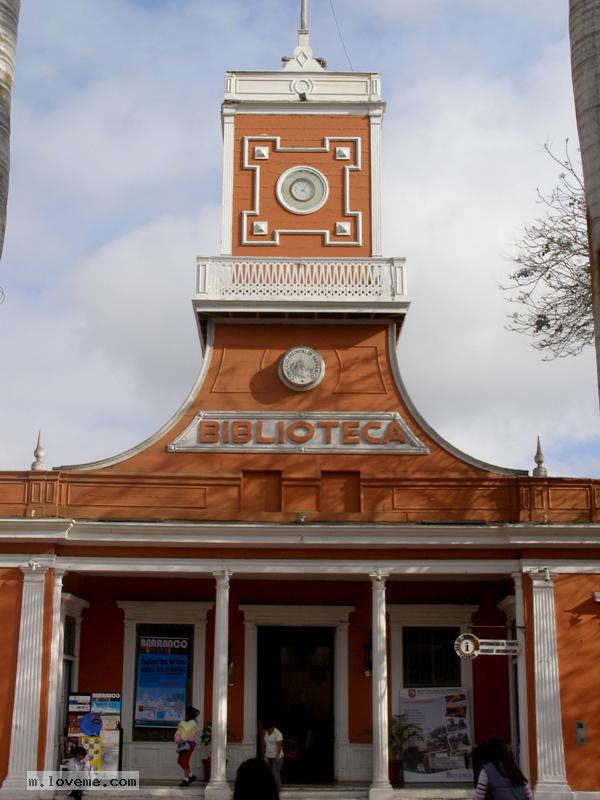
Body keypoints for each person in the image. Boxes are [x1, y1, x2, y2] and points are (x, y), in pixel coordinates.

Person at [174, 705, 199, 787]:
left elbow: (186, 734)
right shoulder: (187, 722)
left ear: (189, 714)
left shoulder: (193, 723)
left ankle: (186, 779)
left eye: (186, 713)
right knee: (180, 761)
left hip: (189, 745)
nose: (184, 715)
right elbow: (179, 731)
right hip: (183, 744)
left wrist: (181, 724)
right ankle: (191, 776)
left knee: (184, 761)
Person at [263, 720, 284, 791]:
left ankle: (278, 789)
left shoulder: (278, 734)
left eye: (269, 729)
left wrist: (277, 757)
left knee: (275, 773)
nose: (268, 730)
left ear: (272, 727)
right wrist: (264, 753)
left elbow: (279, 747)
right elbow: (266, 744)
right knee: (266, 772)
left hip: (277, 756)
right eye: (266, 729)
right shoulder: (266, 732)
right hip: (268, 755)